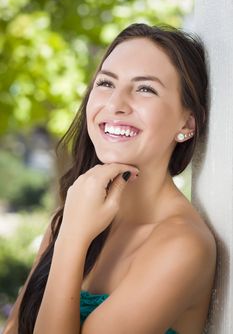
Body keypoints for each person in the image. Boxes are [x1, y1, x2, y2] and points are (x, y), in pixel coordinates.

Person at [4, 23, 216, 334]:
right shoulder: (72, 216)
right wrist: (70, 229)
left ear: (188, 122)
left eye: (145, 88)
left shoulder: (183, 245)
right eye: (106, 83)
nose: (115, 104)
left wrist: (74, 236)